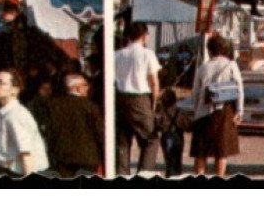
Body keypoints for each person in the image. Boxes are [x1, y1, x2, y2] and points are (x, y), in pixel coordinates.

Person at [190, 34, 243, 177]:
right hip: (224, 110)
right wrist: (239, 110)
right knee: (221, 151)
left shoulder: (202, 67)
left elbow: (195, 93)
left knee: (201, 152)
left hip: (203, 111)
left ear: (209, 50)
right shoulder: (231, 65)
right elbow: (239, 88)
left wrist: (195, 111)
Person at [114, 21, 161, 175]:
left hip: (120, 96)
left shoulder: (118, 54)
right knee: (151, 139)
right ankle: (144, 174)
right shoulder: (147, 54)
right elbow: (154, 81)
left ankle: (122, 174)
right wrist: (154, 103)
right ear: (143, 35)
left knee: (123, 141)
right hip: (140, 97)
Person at [0, 68, 49, 176]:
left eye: (0, 83)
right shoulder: (5, 112)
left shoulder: (16, 115)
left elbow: (26, 154)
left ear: (15, 90)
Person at [44, 71, 104, 177]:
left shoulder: (53, 105)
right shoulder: (90, 106)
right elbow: (100, 133)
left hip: (61, 157)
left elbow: (49, 132)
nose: (88, 88)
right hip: (87, 158)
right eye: (85, 85)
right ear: (75, 87)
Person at [157, 88, 191, 178]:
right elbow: (187, 125)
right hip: (177, 137)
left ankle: (169, 176)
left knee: (168, 161)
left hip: (166, 136)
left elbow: (159, 126)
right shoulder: (180, 111)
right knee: (178, 160)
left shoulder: (161, 112)